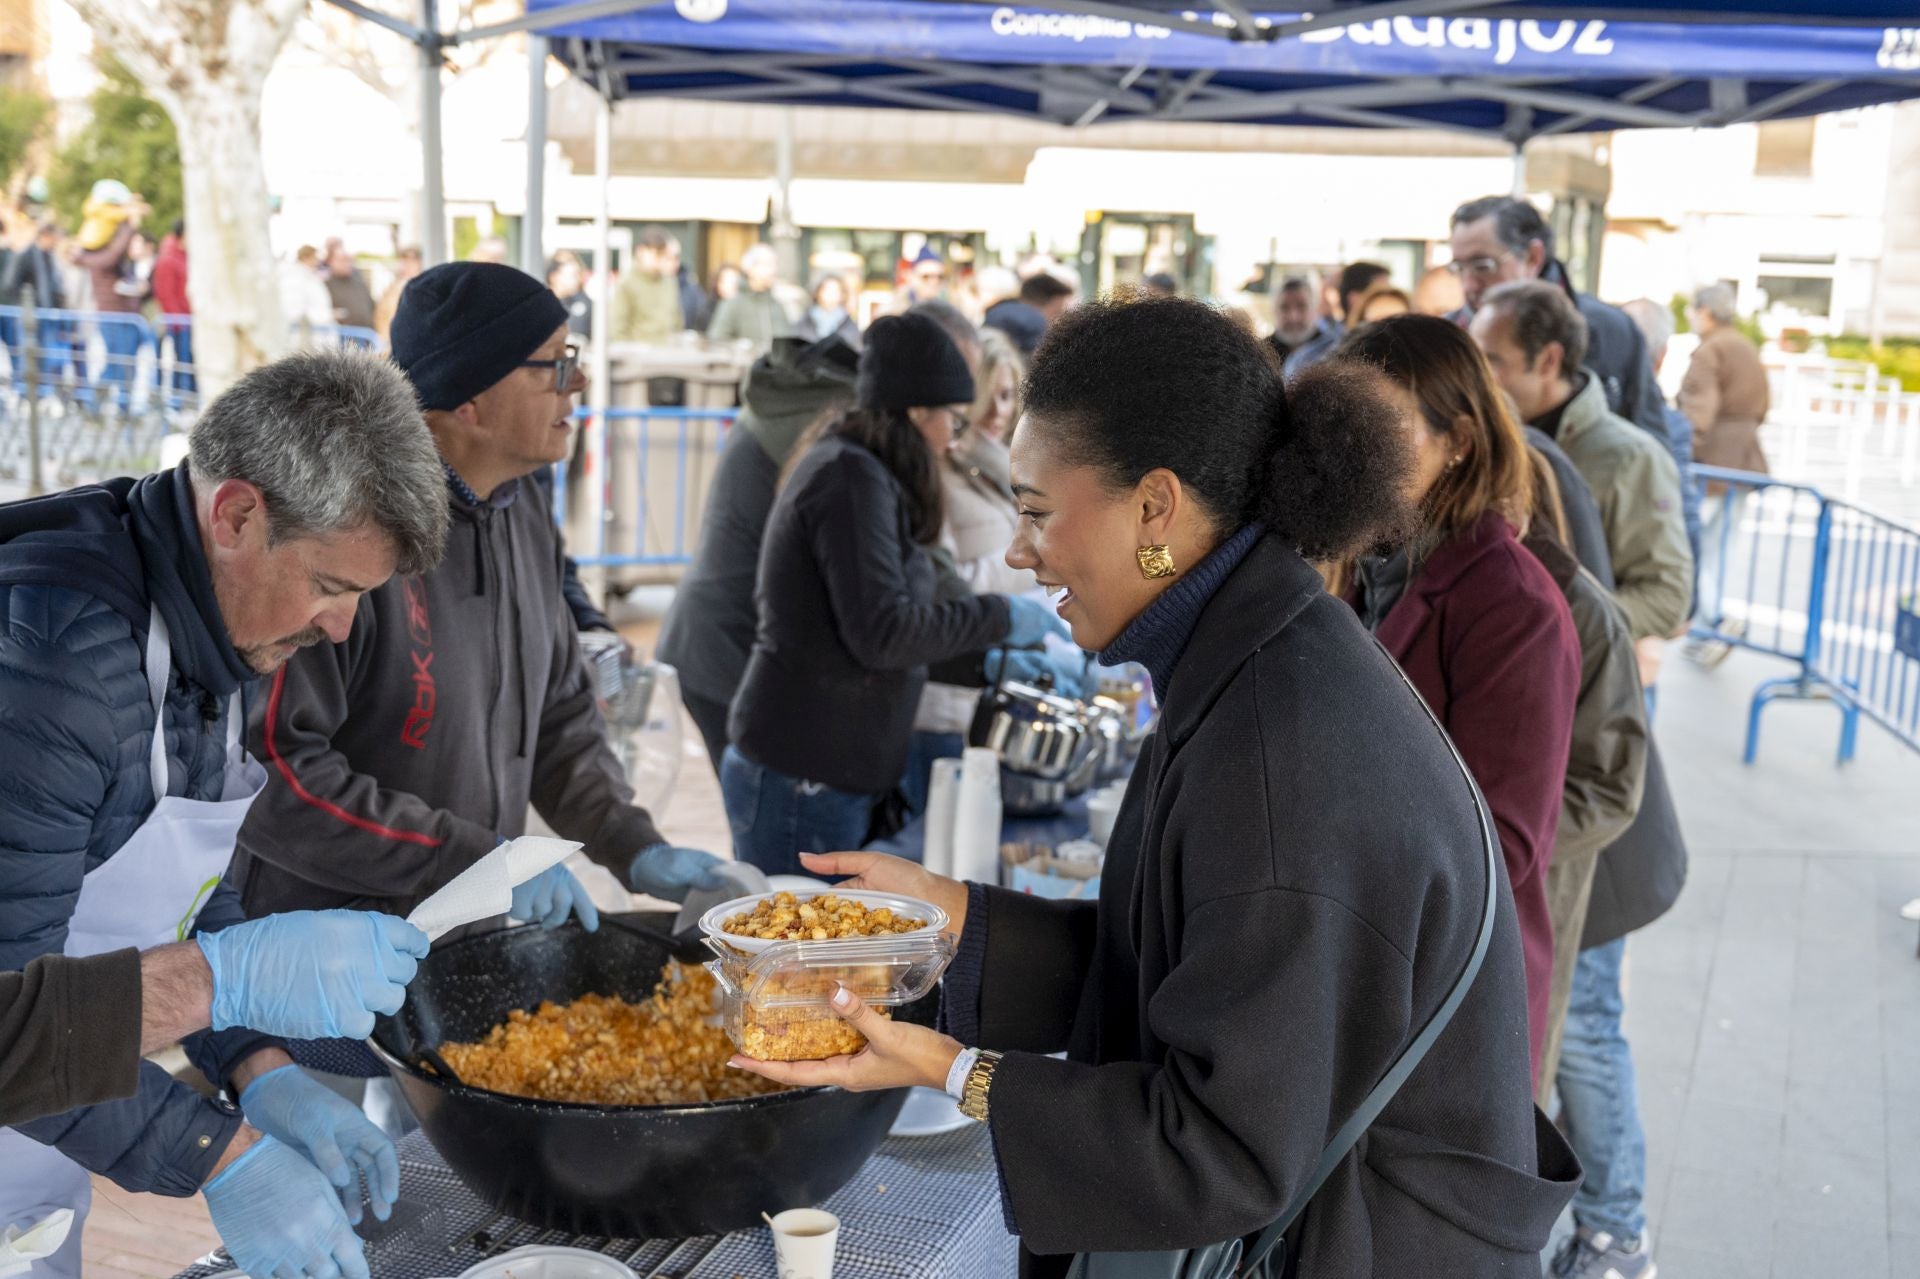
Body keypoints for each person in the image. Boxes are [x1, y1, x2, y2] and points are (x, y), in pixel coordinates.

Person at [732, 296, 1578, 1274]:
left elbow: (1218, 1149)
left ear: (1155, 508)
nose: (1018, 549)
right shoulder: (1253, 651)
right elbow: (1184, 969)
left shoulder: (1280, 754)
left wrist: (950, 1068)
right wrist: (954, 918)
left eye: (1040, 511)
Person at [0, 348, 451, 1279]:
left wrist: (259, 1063)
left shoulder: (217, 617)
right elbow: (7, 1031)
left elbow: (161, 877)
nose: (342, 627)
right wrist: (219, 1152)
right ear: (238, 513)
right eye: (332, 586)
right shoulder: (58, 658)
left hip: (36, 1160)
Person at [234, 263, 725, 941]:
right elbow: (273, 771)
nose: (576, 382)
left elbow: (559, 715)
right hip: (322, 954)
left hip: (462, 942)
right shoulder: (345, 533)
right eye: (553, 364)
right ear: (469, 402)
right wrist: (471, 860)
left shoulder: (521, 511)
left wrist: (630, 842)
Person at [1471, 282, 1689, 1279]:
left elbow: (1666, 595)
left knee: (1588, 1029)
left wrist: (1583, 642)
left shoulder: (1598, 460)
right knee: (1569, 1029)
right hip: (1568, 796)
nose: (1491, 379)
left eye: (1499, 361)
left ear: (1550, 363)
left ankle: (1617, 1229)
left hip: (1593, 806)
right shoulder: (1528, 453)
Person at [722, 312, 1066, 875]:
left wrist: (990, 664)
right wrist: (1001, 617)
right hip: (802, 770)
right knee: (799, 956)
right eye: (953, 422)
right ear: (915, 411)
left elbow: (895, 631)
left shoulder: (870, 475)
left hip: (835, 768)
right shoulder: (849, 480)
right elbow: (883, 633)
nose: (952, 440)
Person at [1329, 315, 1580, 1081]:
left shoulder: (1512, 603)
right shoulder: (1357, 565)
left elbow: (1500, 847)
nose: (1355, 452)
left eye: (1387, 428)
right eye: (1343, 426)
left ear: (1459, 440)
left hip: (1447, 1008)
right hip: (1363, 977)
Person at [1, 912, 430, 1128]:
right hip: (32, 1126)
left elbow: (201, 892)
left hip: (63, 1152)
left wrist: (255, 1062)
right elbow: (25, 1024)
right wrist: (212, 1154)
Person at [655, 332, 861, 775]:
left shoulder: (781, 397)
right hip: (729, 643)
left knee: (757, 811)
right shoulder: (823, 419)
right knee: (766, 811)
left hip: (710, 632)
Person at [1515, 451, 1649, 1107]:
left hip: (1540, 884)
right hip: (1487, 884)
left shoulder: (1582, 612)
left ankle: (1616, 1211)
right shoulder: (1413, 581)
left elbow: (1609, 785)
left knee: (1578, 1036)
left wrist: (1500, 836)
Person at [1470, 282, 1693, 646]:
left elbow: (1666, 595)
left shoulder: (1629, 457)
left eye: (1491, 361)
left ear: (1548, 361)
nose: (1475, 378)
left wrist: (1553, 633)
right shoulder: (1481, 436)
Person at [905, 327, 1054, 811]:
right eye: (984, 397)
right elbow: (943, 585)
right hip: (943, 703)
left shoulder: (999, 471)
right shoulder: (933, 475)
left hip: (992, 690)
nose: (997, 411)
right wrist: (1034, 560)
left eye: (1007, 395)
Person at [1447, 195, 1668, 441]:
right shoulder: (1446, 336)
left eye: (1483, 266)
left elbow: (1652, 441)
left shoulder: (1612, 331)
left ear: (1533, 257)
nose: (1469, 284)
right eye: (1459, 268)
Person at [1681, 282, 1769, 475]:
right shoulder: (1745, 345)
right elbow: (1763, 405)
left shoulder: (1710, 350)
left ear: (1704, 312)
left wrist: (1678, 450)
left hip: (1712, 464)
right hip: (1747, 461)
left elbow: (1698, 415)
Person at [74, 181, 147, 405]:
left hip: (124, 311)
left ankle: (123, 408)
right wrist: (129, 227)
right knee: (117, 364)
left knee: (127, 365)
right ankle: (93, 405)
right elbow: (109, 259)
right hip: (111, 311)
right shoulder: (94, 247)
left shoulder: (108, 241)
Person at [1281, 260, 1388, 378]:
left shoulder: (1306, 358)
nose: (1391, 302)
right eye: (1381, 295)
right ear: (1355, 299)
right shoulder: (1309, 360)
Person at [707, 244, 790, 353]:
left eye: (775, 264)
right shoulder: (733, 304)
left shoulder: (778, 306)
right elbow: (716, 342)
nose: (773, 270)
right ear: (750, 268)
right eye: (768, 264)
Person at [610, 227, 686, 344]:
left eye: (663, 253)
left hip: (669, 355)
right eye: (657, 253)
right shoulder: (626, 284)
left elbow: (677, 321)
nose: (660, 259)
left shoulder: (670, 282)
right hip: (639, 357)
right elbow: (618, 329)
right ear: (641, 251)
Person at [150, 220, 193, 395]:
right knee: (179, 363)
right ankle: (175, 401)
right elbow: (166, 294)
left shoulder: (183, 255)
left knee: (185, 363)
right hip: (178, 321)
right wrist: (179, 321)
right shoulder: (168, 259)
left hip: (186, 319)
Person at [1264, 272, 1329, 366]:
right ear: (1273, 310)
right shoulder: (1261, 353)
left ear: (1316, 309)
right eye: (1284, 307)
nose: (1293, 317)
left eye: (1301, 306)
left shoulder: (1333, 350)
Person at [281, 246, 336, 345]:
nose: (317, 261)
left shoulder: (309, 277)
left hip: (316, 337)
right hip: (305, 339)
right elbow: (293, 310)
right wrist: (325, 315)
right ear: (305, 257)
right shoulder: (293, 279)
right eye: (315, 258)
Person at [374, 245, 424, 344]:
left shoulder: (425, 286)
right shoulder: (392, 288)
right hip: (392, 343)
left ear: (419, 263)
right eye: (405, 261)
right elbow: (381, 317)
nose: (408, 265)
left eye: (412, 261)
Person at [324, 244, 377, 336]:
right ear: (331, 261)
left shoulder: (359, 282)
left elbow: (372, 306)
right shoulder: (325, 286)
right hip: (343, 340)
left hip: (367, 337)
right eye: (342, 260)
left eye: (349, 260)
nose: (346, 263)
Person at [796, 273, 858, 345]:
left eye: (835, 290)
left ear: (842, 295)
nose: (831, 294)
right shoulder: (803, 323)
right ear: (817, 292)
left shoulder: (850, 325)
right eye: (827, 289)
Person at [546, 251, 592, 341]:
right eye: (573, 275)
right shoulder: (543, 306)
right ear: (554, 276)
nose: (578, 280)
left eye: (578, 274)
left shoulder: (585, 303)